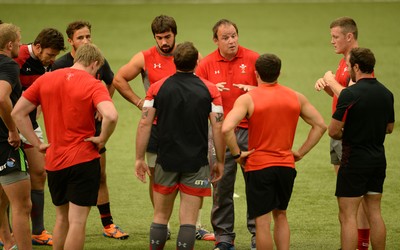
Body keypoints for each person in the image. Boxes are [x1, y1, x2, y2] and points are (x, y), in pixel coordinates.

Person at [113, 15, 213, 240]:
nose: (164, 42)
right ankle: (163, 223)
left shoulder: (190, 56)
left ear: (175, 34)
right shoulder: (144, 57)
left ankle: (194, 225)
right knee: (156, 176)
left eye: (167, 36)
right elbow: (119, 79)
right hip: (158, 128)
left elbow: (205, 82)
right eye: (159, 38)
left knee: (194, 175)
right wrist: (140, 102)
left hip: (189, 128)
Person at [11, 43, 119, 250]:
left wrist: (36, 143)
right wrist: (102, 138)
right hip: (84, 160)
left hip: (54, 161)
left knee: (62, 218)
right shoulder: (93, 84)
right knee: (77, 221)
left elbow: (17, 113)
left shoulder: (46, 79)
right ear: (95, 63)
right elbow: (111, 115)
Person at [223, 53, 327, 250]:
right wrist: (300, 152)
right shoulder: (296, 97)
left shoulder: (248, 99)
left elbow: (227, 128)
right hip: (286, 165)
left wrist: (237, 155)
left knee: (262, 223)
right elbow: (320, 126)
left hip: (259, 166)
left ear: (256, 74)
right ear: (279, 72)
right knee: (281, 215)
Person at [135, 41, 225, 250]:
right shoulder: (210, 89)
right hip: (196, 162)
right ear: (197, 62)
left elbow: (144, 123)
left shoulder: (158, 88)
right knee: (188, 220)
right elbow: (218, 128)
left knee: (160, 215)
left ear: (174, 61)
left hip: (165, 161)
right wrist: (219, 160)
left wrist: (139, 158)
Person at [52, 20, 128, 240]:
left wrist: (102, 106)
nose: (85, 41)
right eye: (80, 37)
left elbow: (112, 82)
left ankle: (108, 225)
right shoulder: (60, 66)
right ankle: (66, 225)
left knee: (100, 176)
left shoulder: (97, 59)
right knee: (69, 181)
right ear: (70, 41)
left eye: (88, 36)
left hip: (93, 132)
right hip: (67, 133)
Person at [195, 18, 258, 250]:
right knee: (221, 188)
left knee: (256, 186)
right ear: (215, 40)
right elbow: (194, 95)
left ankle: (256, 237)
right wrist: (209, 90)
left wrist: (255, 90)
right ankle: (224, 238)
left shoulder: (253, 59)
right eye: (225, 37)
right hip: (220, 136)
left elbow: (271, 90)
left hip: (251, 133)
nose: (231, 41)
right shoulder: (206, 65)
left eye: (234, 36)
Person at [327, 47, 394, 250]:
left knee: (348, 216)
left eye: (348, 67)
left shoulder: (349, 94)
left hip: (354, 160)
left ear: (356, 67)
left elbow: (333, 130)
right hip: (377, 160)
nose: (348, 70)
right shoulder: (386, 93)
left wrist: (349, 133)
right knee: (375, 213)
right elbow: (389, 128)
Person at [314, 17, 370, 250]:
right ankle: (356, 242)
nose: (332, 41)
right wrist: (328, 86)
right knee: (348, 195)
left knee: (354, 198)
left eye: (335, 36)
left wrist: (330, 80)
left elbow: (356, 97)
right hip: (339, 132)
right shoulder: (343, 62)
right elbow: (342, 96)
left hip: (349, 134)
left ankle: (361, 243)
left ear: (349, 37)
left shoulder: (358, 62)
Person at [13, 27, 65, 246]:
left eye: (54, 56)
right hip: (8, 125)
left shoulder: (47, 64)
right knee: (10, 183)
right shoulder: (17, 58)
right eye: (50, 55)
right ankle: (5, 233)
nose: (51, 60)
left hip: (29, 124)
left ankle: (38, 231)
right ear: (37, 46)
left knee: (39, 172)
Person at [0, 22, 32, 250]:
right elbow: (1, 98)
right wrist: (12, 130)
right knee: (22, 206)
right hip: (5, 142)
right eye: (19, 41)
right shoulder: (9, 65)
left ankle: (7, 241)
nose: (21, 45)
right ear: (9, 44)